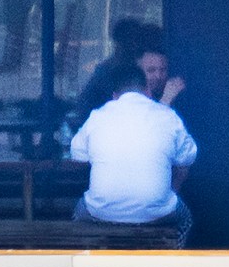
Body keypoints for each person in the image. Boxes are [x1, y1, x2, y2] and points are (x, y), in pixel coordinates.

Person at [70, 63, 198, 247]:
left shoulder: (98, 116)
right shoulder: (168, 116)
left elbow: (78, 157)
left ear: (114, 96)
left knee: (78, 214)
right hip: (158, 213)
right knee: (185, 218)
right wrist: (171, 191)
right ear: (147, 91)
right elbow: (187, 159)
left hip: (101, 212)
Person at [74, 18, 147, 122]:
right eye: (130, 40)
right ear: (118, 43)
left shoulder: (143, 69)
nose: (134, 45)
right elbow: (85, 107)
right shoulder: (105, 72)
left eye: (137, 41)